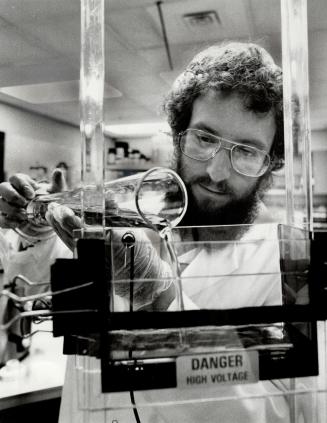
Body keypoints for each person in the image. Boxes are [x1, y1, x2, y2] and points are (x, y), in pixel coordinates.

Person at [0, 42, 315, 422]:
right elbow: (40, 296)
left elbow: (281, 413)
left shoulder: (289, 271)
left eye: (246, 151)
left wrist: (164, 300)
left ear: (271, 163)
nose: (216, 172)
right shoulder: (127, 216)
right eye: (205, 138)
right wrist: (39, 230)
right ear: (179, 135)